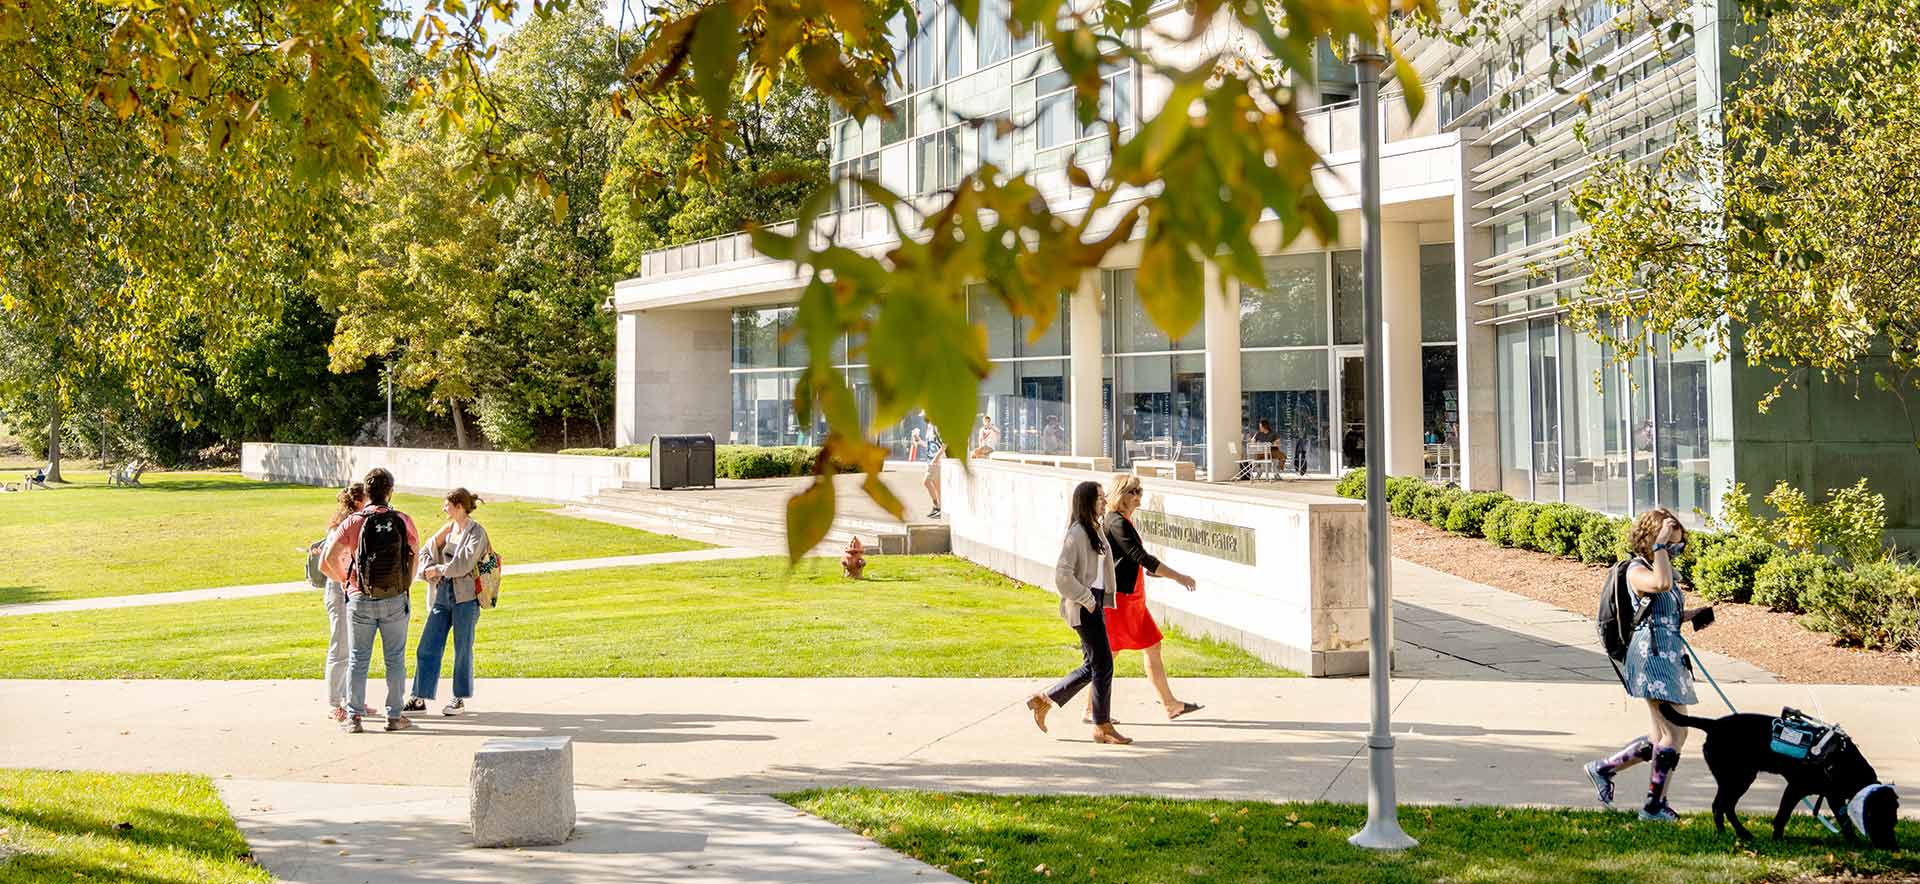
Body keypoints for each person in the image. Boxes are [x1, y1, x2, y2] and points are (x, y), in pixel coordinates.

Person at [1583, 507, 1715, 822]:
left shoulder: (1657, 567)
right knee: (1673, 735)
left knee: (1668, 736)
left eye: (1678, 546)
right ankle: (1653, 807)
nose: (1675, 551)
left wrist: (1692, 615)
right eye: (1673, 545)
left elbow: (1661, 610)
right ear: (1651, 540)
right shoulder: (1636, 571)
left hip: (1666, 655)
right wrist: (1660, 547)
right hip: (1652, 658)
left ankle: (1604, 769)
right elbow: (1661, 585)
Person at [1024, 481, 1130, 745]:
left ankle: (1045, 700)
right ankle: (1102, 726)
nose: (1105, 502)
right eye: (1100, 499)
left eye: (1105, 498)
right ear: (1086, 502)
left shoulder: (1094, 529)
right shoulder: (1078, 533)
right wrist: (1086, 599)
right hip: (1084, 605)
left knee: (1093, 665)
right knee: (1103, 664)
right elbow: (1062, 576)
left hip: (1093, 602)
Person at [1090, 473, 1202, 723]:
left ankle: (1171, 704)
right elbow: (1141, 556)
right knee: (1106, 655)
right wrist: (1178, 577)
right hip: (1122, 601)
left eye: (1140, 491)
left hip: (1133, 598)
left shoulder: (1120, 521)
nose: (1139, 496)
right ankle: (1085, 708)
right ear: (1122, 495)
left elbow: (1129, 558)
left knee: (1151, 646)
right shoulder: (1116, 521)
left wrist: (1149, 571)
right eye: (1134, 491)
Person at [322, 467, 420, 735]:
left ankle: (354, 717)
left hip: (360, 598)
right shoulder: (403, 519)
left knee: (358, 659)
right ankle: (394, 715)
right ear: (390, 491)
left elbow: (327, 560)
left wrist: (347, 582)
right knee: (395, 659)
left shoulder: (353, 521)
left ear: (366, 492)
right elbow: (415, 556)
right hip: (395, 598)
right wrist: (405, 585)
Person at [403, 488, 491, 717]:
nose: (444, 509)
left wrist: (438, 569)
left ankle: (458, 698)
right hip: (442, 596)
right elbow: (424, 552)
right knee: (427, 647)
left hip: (466, 599)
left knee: (462, 649)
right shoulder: (448, 529)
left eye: (447, 505)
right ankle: (419, 697)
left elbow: (463, 564)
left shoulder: (476, 532)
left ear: (459, 506)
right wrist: (427, 570)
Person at [315, 482, 367, 722]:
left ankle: (350, 699)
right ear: (358, 501)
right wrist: (344, 582)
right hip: (339, 593)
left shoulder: (358, 523)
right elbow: (324, 564)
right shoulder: (341, 527)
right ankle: (335, 703)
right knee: (340, 648)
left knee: (354, 648)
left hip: (352, 591)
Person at [923, 425, 945, 519]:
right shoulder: (929, 427)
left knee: (926, 482)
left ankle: (937, 507)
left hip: (937, 462)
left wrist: (936, 458)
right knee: (937, 487)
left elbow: (945, 443)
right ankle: (939, 509)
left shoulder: (938, 426)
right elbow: (929, 445)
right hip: (930, 461)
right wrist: (919, 441)